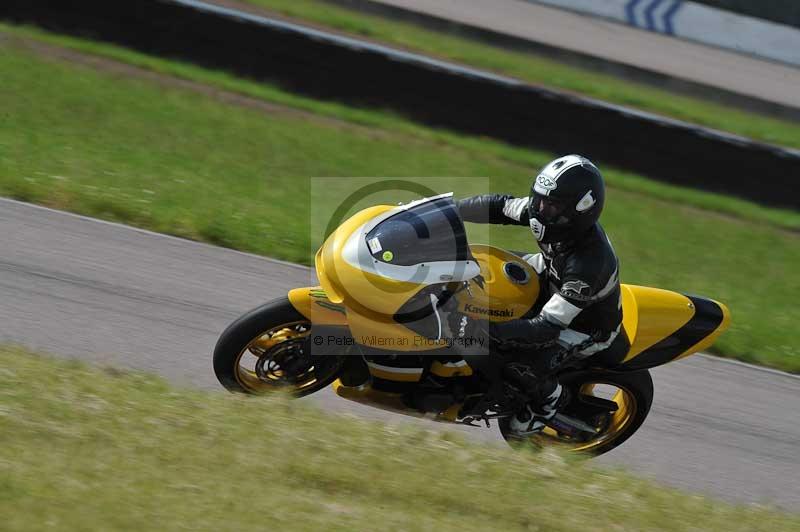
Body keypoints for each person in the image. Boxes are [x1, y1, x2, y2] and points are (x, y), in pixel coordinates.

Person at [454, 154, 626, 436]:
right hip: (550, 275)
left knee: (519, 361)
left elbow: (546, 329)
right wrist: (448, 211)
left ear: (581, 211)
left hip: (583, 326)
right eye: (539, 200)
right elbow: (499, 206)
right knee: (479, 269)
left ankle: (548, 403)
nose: (541, 209)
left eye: (553, 205)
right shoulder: (544, 211)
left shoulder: (589, 263)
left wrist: (489, 330)